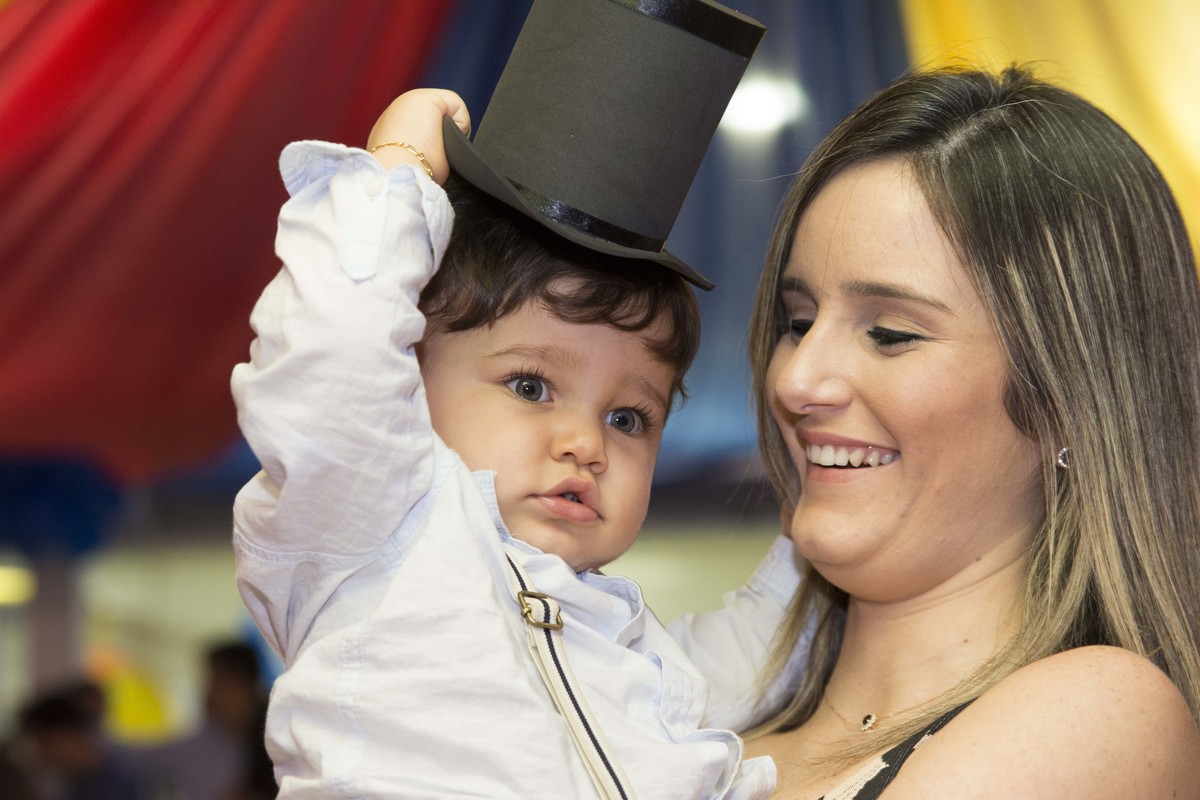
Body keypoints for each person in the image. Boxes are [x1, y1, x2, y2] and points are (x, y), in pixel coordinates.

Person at [231, 1, 799, 797]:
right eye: (531, 386)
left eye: (628, 417)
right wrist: (395, 174)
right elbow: (328, 358)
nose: (585, 443)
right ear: (405, 378)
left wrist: (815, 531)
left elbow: (751, 659)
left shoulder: (625, 641)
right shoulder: (373, 530)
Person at [738, 64, 1200, 797]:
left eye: (890, 333)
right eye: (798, 322)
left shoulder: (1096, 715)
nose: (795, 381)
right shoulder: (696, 738)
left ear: (1066, 399)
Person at [125, 640, 273, 800]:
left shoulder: (276, 739)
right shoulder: (213, 738)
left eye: (216, 683)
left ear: (240, 686)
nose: (207, 696)